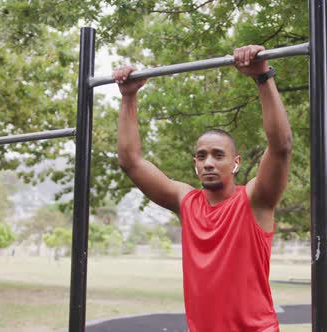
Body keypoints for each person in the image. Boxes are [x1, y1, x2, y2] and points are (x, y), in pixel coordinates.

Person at [114, 45, 292, 332]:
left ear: (235, 163)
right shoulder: (186, 201)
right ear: (195, 163)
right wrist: (129, 96)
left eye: (218, 155)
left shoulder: (255, 199)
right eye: (201, 155)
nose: (208, 162)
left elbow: (281, 147)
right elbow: (130, 162)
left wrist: (263, 77)